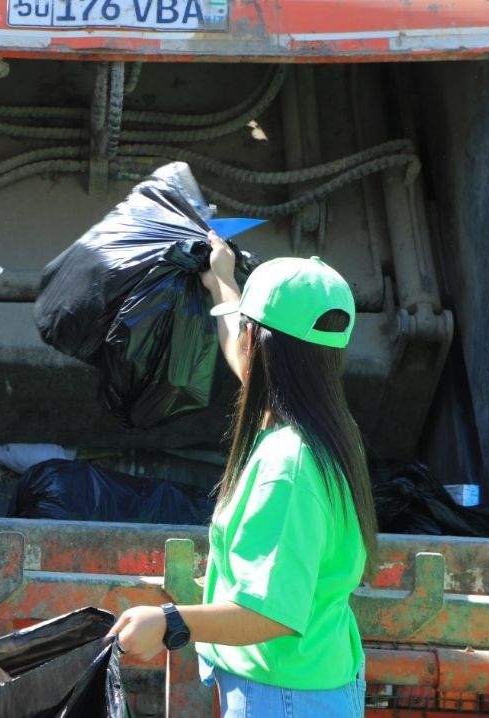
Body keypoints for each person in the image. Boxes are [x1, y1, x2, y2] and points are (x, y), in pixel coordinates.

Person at [108, 238, 376, 717]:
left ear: (260, 343)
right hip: (308, 683)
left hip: (284, 700)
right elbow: (249, 356)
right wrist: (223, 283)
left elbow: (271, 613)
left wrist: (169, 621)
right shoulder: (328, 427)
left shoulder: (288, 468)